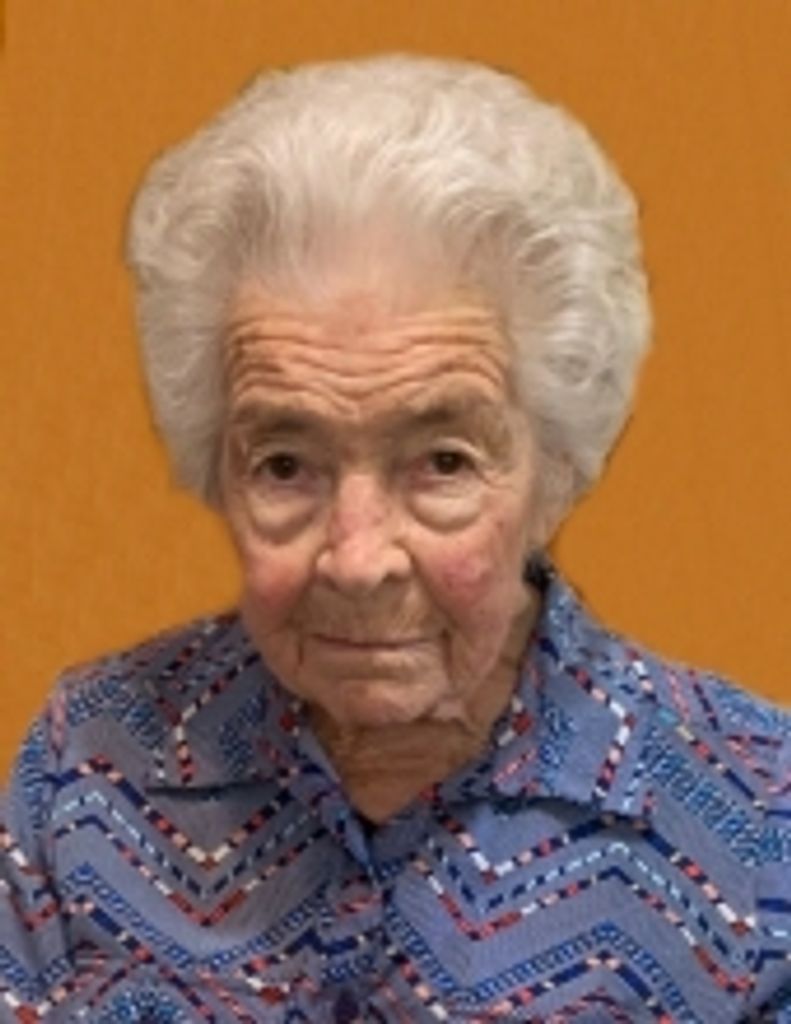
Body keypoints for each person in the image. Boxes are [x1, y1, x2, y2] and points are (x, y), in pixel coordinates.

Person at [1, 53, 788, 1023]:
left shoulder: (757, 819)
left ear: (552, 472)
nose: (357, 558)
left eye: (442, 462)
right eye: (285, 465)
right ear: (217, 468)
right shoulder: (92, 762)